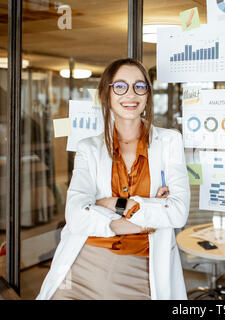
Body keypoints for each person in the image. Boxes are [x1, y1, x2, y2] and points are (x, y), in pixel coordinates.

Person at [37, 58, 190, 300]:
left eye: (139, 86)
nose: (131, 94)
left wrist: (110, 203)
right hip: (82, 264)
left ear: (148, 95)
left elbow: (178, 212)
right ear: (106, 94)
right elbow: (75, 215)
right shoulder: (88, 148)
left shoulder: (170, 141)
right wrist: (139, 216)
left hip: (139, 271)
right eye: (120, 86)